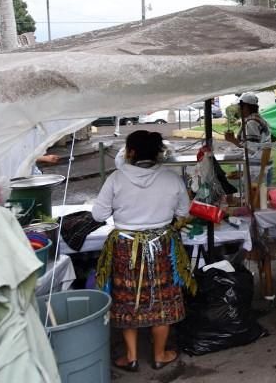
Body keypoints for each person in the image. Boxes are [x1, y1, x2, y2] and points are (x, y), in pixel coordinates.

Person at [92, 130, 194, 372]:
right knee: (162, 299)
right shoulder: (171, 179)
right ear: (159, 153)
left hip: (125, 248)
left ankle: (132, 356)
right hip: (161, 246)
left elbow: (98, 215)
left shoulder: (116, 179)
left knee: (127, 300)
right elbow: (184, 212)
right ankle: (160, 355)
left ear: (130, 152)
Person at [224, 92, 273, 185]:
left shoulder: (251, 122)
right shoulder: (258, 119)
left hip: (256, 169)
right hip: (263, 165)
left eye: (239, 107)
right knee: (262, 196)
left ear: (246, 107)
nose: (238, 109)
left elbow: (252, 149)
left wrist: (233, 140)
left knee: (257, 197)